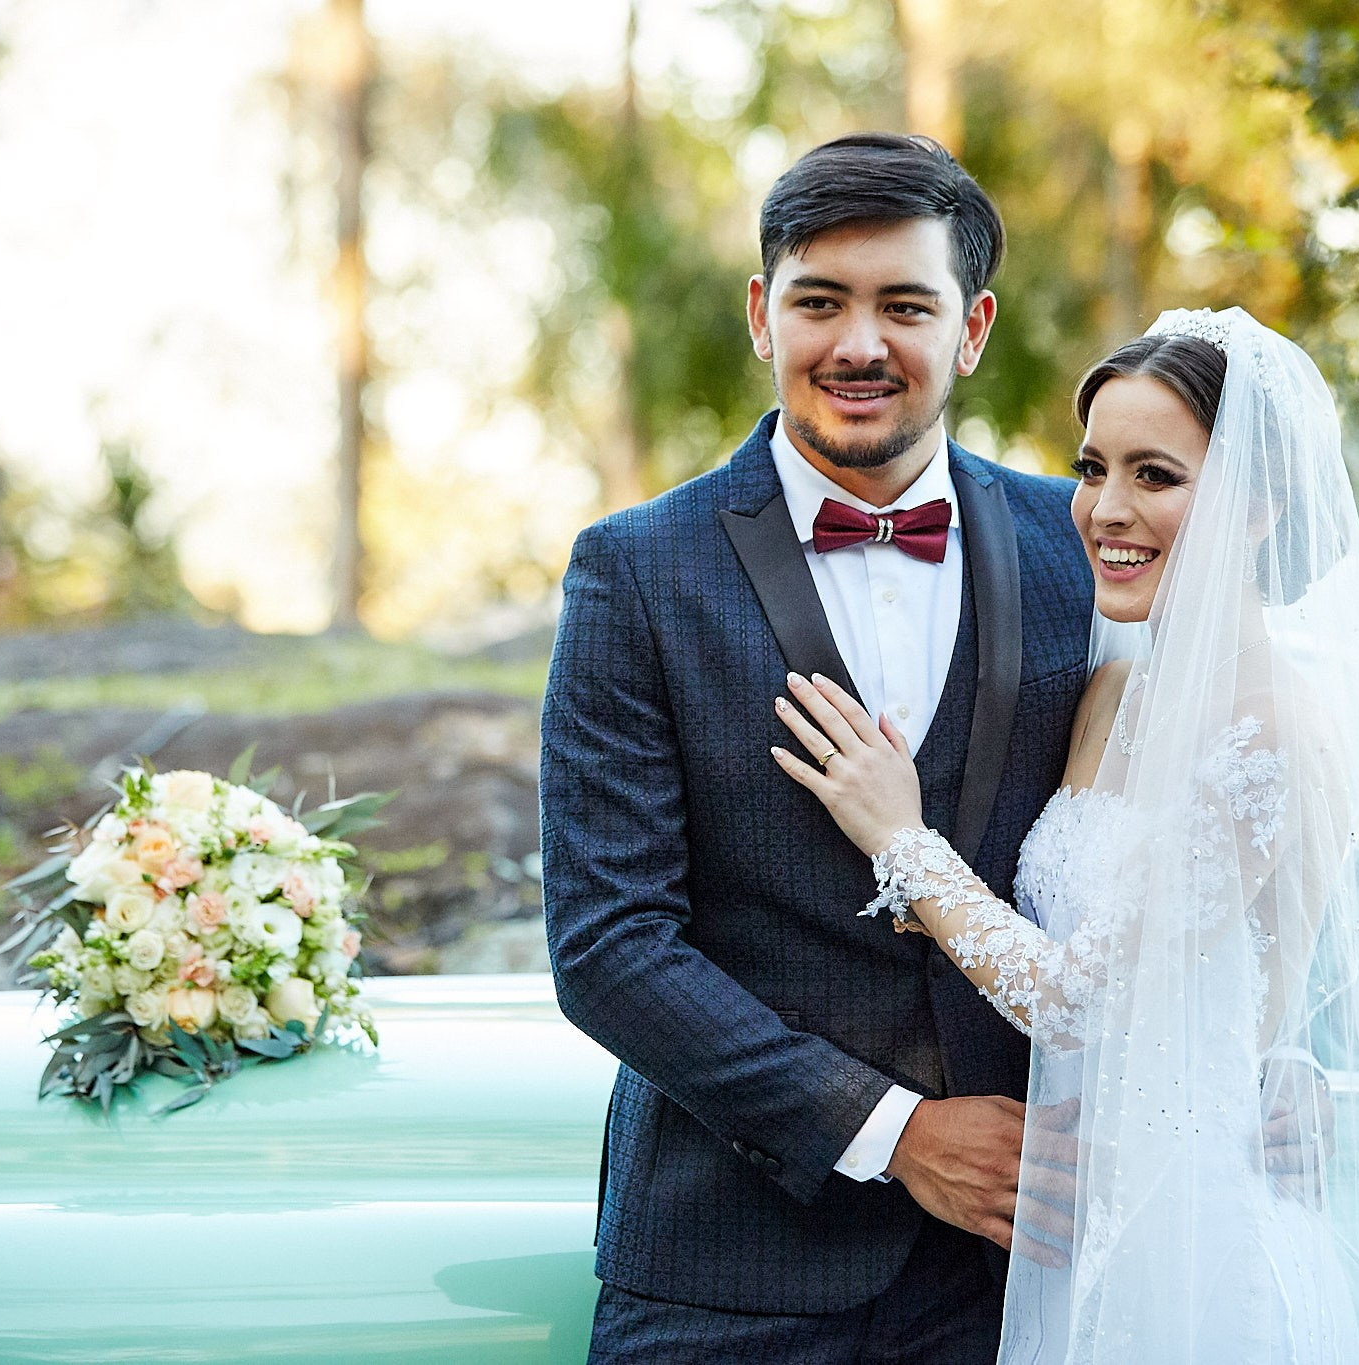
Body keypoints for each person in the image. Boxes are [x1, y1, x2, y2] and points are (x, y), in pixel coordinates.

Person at [774, 305, 1359, 1362]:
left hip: (1198, 1244)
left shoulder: (1266, 724)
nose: (1104, 509)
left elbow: (1079, 996)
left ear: (1255, 508)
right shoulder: (1111, 691)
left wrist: (899, 842)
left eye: (1155, 476)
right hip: (1076, 1230)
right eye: (1092, 468)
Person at [540, 132, 1094, 1360]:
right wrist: (896, 1134)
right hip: (729, 1276)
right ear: (759, 313)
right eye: (818, 301)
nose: (857, 345)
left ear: (973, 327)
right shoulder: (633, 572)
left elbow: (1190, 832)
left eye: (904, 304)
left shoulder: (1082, 548)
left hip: (1028, 1273)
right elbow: (607, 944)